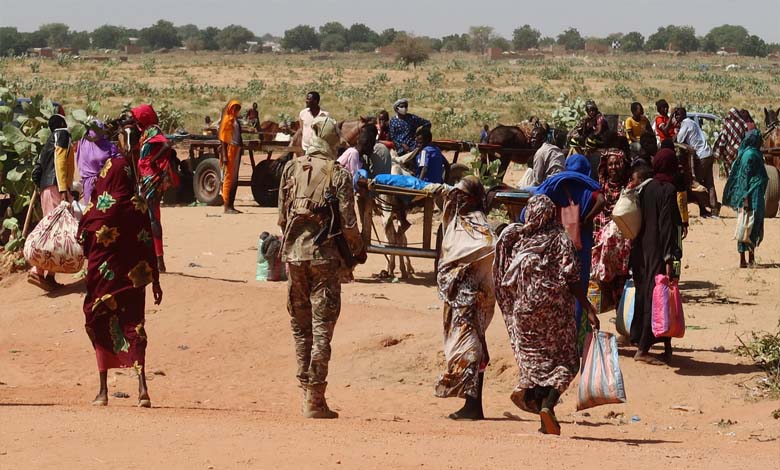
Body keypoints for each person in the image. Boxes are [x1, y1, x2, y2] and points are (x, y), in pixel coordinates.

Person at [277, 115, 367, 419]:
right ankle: (315, 399)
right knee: (321, 329)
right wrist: (356, 250)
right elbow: (349, 223)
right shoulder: (338, 174)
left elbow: (281, 217)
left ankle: (305, 392)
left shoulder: (291, 168)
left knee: (299, 328)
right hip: (324, 260)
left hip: (293, 256)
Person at [494, 195, 599, 435]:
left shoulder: (520, 243)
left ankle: (540, 412)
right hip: (556, 315)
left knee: (535, 364)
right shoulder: (561, 240)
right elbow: (572, 278)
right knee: (567, 362)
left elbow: (506, 278)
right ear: (552, 215)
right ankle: (548, 406)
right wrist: (588, 309)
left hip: (525, 315)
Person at [77, 151, 162, 407]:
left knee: (100, 322)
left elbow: (83, 241)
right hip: (132, 282)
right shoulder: (138, 207)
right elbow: (150, 245)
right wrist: (155, 280)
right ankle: (142, 387)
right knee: (134, 325)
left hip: (103, 282)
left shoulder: (97, 210)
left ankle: (103, 391)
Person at [434, 176, 496, 420]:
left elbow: (488, 251)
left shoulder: (481, 228)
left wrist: (463, 273)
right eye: (456, 194)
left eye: (462, 195)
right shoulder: (455, 222)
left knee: (472, 350)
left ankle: (473, 405)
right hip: (455, 298)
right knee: (470, 348)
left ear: (473, 198)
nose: (457, 198)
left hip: (474, 299)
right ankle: (472, 404)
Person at [532, 154, 605, 346]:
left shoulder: (554, 185)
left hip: (554, 244)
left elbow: (535, 200)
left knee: (555, 286)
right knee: (578, 287)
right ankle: (572, 338)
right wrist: (587, 218)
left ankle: (551, 336)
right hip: (580, 246)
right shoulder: (587, 189)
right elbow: (602, 201)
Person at [629, 156, 683, 365]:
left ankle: (666, 347)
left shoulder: (644, 188)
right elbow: (666, 225)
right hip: (658, 250)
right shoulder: (667, 190)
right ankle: (643, 349)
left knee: (651, 294)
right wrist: (669, 257)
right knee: (658, 296)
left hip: (641, 250)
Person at [28, 114, 75, 291]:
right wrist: (64, 189)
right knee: (56, 231)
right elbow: (60, 160)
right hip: (57, 187)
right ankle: (38, 271)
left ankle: (49, 275)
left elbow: (37, 169)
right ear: (62, 123)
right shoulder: (63, 134)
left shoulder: (49, 140)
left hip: (46, 188)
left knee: (52, 230)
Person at [131, 104, 179, 273]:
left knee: (152, 217)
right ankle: (154, 258)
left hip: (151, 178)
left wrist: (152, 161)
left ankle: (159, 259)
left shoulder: (153, 130)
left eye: (138, 117)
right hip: (147, 178)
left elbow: (166, 145)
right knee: (150, 216)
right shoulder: (145, 132)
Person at [591, 148, 632, 309]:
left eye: (617, 164)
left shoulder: (628, 188)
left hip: (622, 241)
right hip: (601, 236)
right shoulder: (601, 187)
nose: (614, 167)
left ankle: (620, 308)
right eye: (611, 164)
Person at [722, 129, 769, 268]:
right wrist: (746, 198)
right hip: (750, 195)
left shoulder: (753, 153)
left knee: (751, 224)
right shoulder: (750, 155)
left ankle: (749, 257)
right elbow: (744, 179)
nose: (761, 142)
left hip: (755, 194)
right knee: (748, 225)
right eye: (759, 139)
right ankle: (746, 258)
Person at [674, 107, 719, 217]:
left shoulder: (685, 124)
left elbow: (679, 140)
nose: (676, 117)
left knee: (695, 185)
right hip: (708, 153)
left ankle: (708, 205)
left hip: (701, 156)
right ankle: (714, 209)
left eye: (678, 115)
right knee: (709, 183)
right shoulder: (692, 122)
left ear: (683, 115)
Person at [77, 121, 121, 206]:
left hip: (105, 183)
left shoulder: (109, 146)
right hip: (89, 185)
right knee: (91, 211)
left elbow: (118, 163)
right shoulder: (82, 142)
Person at [219, 99, 243, 214]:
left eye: (238, 108)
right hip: (229, 150)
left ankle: (231, 205)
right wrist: (224, 155)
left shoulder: (235, 120)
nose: (236, 110)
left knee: (234, 178)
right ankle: (226, 205)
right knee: (228, 178)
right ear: (230, 108)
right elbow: (223, 140)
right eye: (234, 108)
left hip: (236, 149)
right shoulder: (227, 120)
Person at [714, 108, 754, 177]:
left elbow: (723, 140)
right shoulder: (742, 123)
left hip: (729, 152)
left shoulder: (727, 124)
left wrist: (719, 152)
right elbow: (746, 136)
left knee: (730, 170)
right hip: (741, 150)